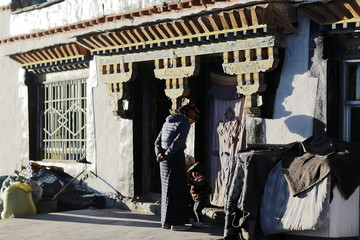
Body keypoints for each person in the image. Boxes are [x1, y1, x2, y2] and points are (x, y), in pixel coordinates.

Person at [154, 103, 200, 231]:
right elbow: (178, 142)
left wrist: (160, 155)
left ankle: (165, 222)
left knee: (166, 190)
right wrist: (167, 155)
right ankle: (177, 224)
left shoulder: (167, 122)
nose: (193, 122)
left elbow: (157, 141)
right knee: (178, 190)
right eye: (193, 119)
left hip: (163, 161)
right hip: (174, 158)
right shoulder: (184, 122)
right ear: (190, 116)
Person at [187, 162, 211, 228]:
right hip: (196, 198)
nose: (193, 174)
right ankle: (197, 221)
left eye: (195, 172)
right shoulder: (195, 179)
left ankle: (201, 222)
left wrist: (191, 182)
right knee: (195, 209)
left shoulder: (201, 177)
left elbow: (199, 184)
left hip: (201, 197)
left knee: (197, 209)